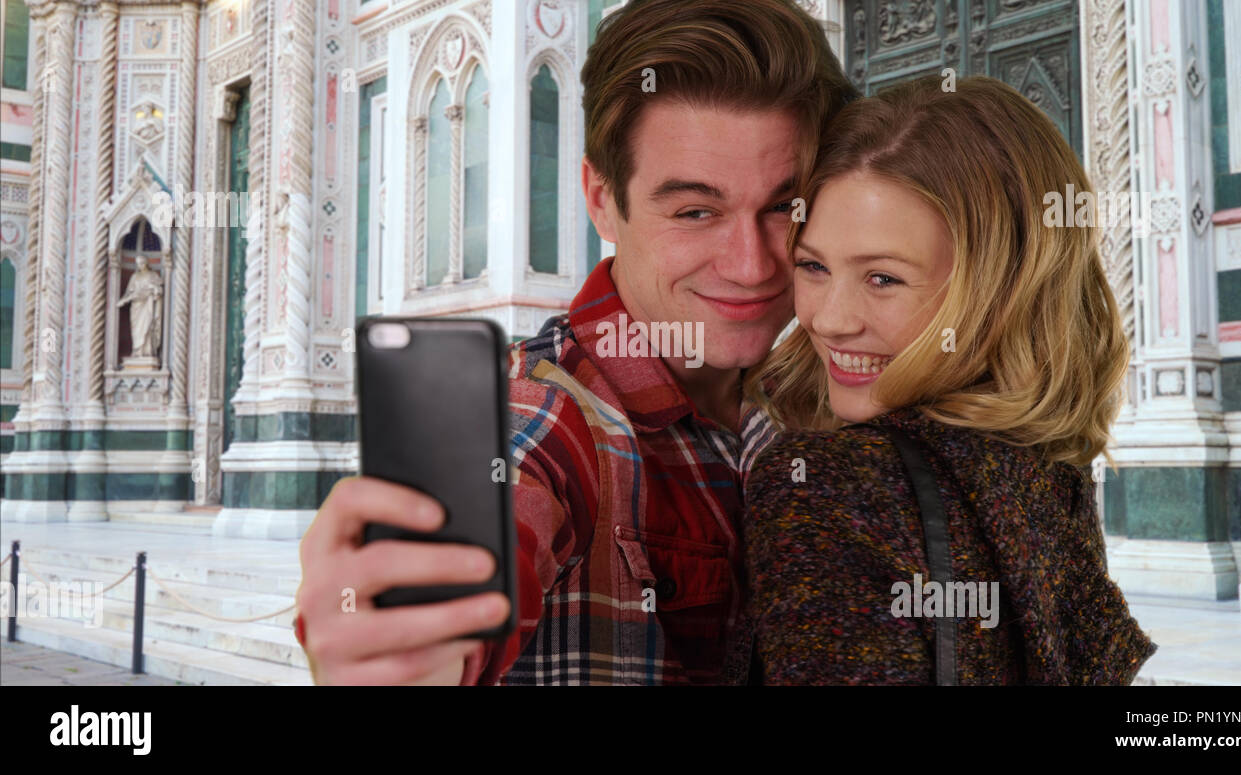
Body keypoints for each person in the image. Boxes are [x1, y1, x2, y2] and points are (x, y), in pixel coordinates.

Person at [294, 0, 858, 685]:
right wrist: (400, 643)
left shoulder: (819, 395)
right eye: (694, 211)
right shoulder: (547, 413)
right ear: (600, 197)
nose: (753, 264)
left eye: (782, 207)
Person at [736, 75, 1158, 685]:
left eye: (883, 278)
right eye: (813, 266)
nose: (828, 319)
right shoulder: (1042, 468)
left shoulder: (829, 484)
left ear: (1000, 290)